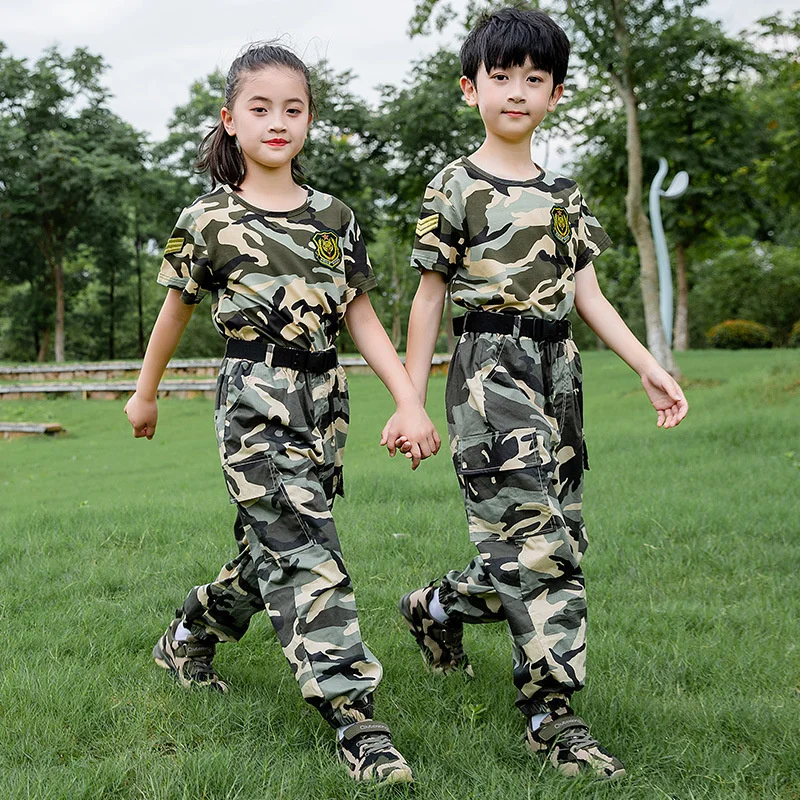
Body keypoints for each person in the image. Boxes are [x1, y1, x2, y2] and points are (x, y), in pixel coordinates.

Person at [124, 42, 440, 785]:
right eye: (259, 108)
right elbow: (174, 313)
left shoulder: (335, 216)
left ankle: (189, 632)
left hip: (325, 402)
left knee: (274, 546)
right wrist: (145, 393)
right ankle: (356, 720)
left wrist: (409, 399)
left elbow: (361, 316)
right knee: (306, 552)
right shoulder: (207, 217)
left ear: (309, 122)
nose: (277, 121)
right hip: (252, 398)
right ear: (230, 120)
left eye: (292, 109)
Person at [387, 7, 688, 781]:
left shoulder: (563, 193)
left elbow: (588, 293)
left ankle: (438, 608)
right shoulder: (455, 185)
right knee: (543, 551)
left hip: (561, 374)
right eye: (502, 76)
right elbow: (427, 298)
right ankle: (552, 719)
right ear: (470, 89)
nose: (518, 90)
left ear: (555, 94)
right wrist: (410, 399)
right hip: (488, 371)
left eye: (535, 79)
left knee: (551, 543)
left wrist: (647, 364)